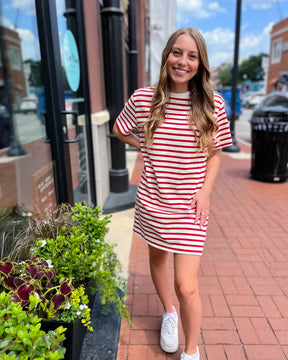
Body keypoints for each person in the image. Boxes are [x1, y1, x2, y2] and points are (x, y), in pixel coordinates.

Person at [113, 27, 232, 360]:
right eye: (177, 53)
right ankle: (169, 312)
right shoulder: (143, 99)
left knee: (187, 286)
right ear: (166, 55)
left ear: (200, 63)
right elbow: (119, 129)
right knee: (157, 259)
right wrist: (143, 145)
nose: (183, 61)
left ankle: (191, 351)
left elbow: (217, 152)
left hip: (191, 208)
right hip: (153, 201)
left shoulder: (212, 103)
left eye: (192, 56)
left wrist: (206, 193)